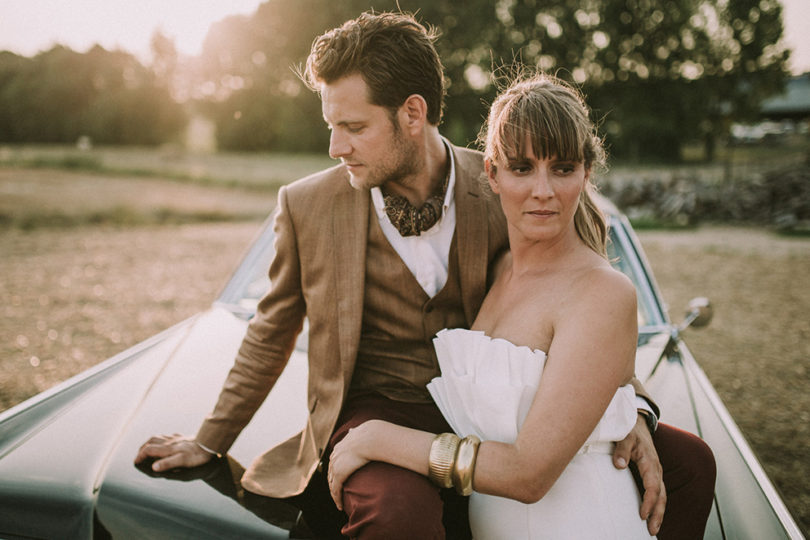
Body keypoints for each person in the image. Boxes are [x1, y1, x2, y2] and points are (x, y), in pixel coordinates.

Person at [134, 12, 714, 539]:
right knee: (398, 515)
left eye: (354, 127)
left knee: (687, 461)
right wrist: (209, 439)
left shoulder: (503, 185)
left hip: (492, 411)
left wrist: (630, 409)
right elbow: (270, 330)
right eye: (331, 126)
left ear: (412, 113)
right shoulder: (306, 206)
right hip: (375, 410)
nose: (336, 146)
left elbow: (580, 302)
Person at [325, 72, 709, 539]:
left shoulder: (604, 291)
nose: (543, 191)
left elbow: (528, 475)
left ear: (586, 173)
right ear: (492, 174)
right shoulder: (500, 268)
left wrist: (380, 438)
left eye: (563, 169)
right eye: (523, 168)